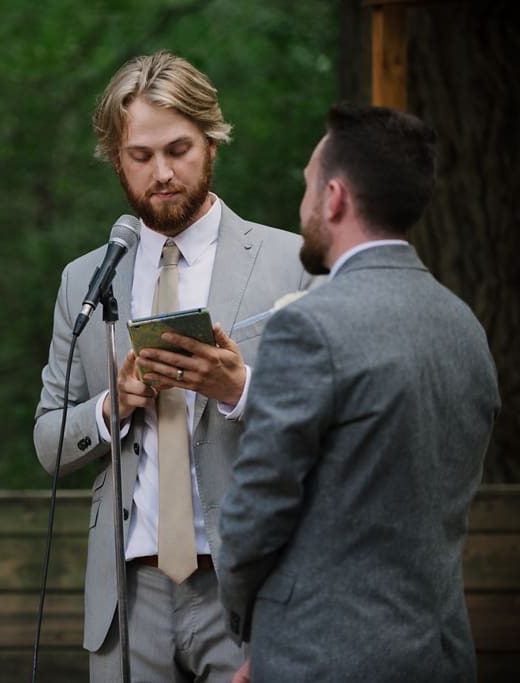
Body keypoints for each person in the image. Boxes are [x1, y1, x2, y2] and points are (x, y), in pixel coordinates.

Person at [33, 51, 312, 682]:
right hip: (130, 594)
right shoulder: (86, 277)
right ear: (116, 158)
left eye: (178, 149)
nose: (161, 172)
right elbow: (49, 443)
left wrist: (239, 388)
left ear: (212, 140)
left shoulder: (290, 261)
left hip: (251, 587)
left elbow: (336, 426)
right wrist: (115, 403)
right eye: (140, 156)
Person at [215, 103, 500, 682]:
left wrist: (261, 632)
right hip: (439, 653)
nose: (303, 208)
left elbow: (257, 509)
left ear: (336, 198)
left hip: (322, 657)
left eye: (307, 189)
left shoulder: (310, 326)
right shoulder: (464, 325)